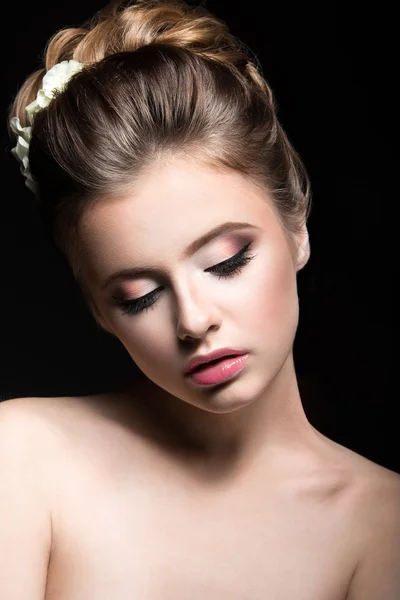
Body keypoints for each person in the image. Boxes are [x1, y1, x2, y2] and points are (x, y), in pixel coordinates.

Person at [1, 0, 399, 598]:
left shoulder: (382, 528)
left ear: (297, 227)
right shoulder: (21, 459)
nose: (194, 320)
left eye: (226, 262)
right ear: (96, 309)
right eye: (138, 296)